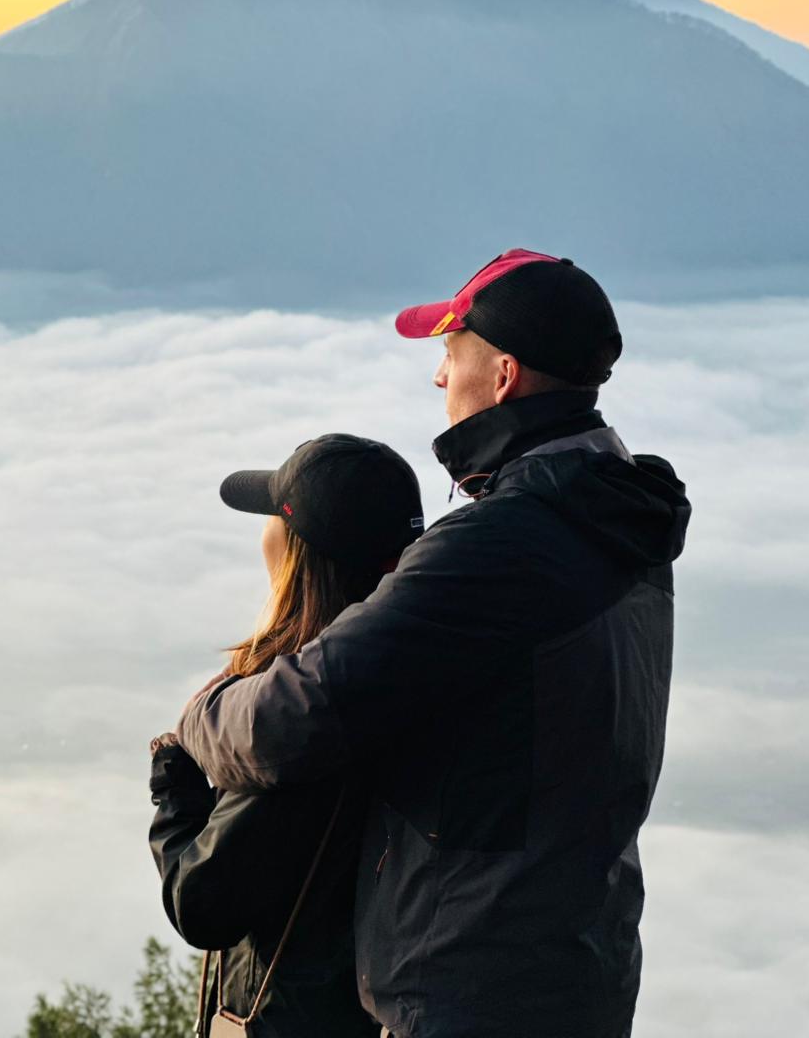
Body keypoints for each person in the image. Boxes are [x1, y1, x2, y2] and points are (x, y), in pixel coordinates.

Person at [175, 250, 692, 1038]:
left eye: (450, 353)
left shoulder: (505, 544)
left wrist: (198, 719)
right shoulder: (621, 515)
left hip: (470, 991)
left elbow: (294, 717)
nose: (438, 378)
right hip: (582, 969)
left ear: (505, 376)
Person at [149, 433, 424, 1037]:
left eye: (273, 517)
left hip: (293, 1018)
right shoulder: (415, 682)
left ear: (297, 551)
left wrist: (174, 786)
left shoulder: (295, 722)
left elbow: (205, 905)